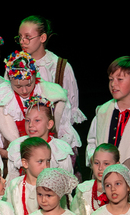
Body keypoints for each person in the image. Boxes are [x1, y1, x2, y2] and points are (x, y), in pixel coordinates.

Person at [16, 16, 85, 149]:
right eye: (20, 37)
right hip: (23, 139)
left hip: (55, 140)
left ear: (42, 38)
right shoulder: (15, 66)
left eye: (27, 37)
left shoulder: (60, 67)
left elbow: (71, 107)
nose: (22, 41)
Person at [0, 51, 73, 159]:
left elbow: (63, 129)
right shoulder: (2, 98)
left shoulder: (50, 94)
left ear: (35, 77)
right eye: (18, 87)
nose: (24, 90)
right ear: (10, 80)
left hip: (47, 152)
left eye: (29, 85)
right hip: (15, 155)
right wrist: (7, 154)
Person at [88, 57, 130, 172]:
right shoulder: (102, 112)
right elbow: (92, 141)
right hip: (103, 176)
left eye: (120, 79)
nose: (113, 84)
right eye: (111, 79)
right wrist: (94, 159)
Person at [5, 96, 72, 174]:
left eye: (37, 120)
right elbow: (12, 176)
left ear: (49, 124)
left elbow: (67, 177)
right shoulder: (17, 146)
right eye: (28, 120)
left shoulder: (59, 149)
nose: (30, 125)